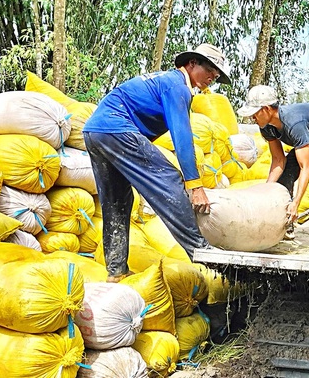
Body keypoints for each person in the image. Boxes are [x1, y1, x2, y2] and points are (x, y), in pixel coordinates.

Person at [83, 43, 231, 282]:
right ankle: (201, 250)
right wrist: (195, 185)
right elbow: (182, 138)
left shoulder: (167, 82)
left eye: (216, 75)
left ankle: (116, 270)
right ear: (192, 63)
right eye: (211, 69)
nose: (213, 77)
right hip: (116, 128)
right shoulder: (177, 87)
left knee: (118, 199)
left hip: (94, 132)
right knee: (169, 179)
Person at [236, 85, 309, 242]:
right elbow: (278, 160)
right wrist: (265, 191)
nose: (252, 118)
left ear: (266, 109)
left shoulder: (293, 123)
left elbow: (305, 167)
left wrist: (296, 203)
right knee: (286, 173)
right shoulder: (266, 127)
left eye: (254, 113)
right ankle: (286, 226)